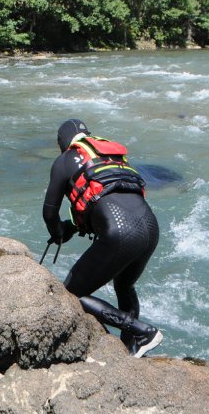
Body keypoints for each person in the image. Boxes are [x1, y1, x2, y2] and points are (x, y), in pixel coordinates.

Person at [42, 119, 163, 358]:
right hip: (150, 227)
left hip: (120, 230)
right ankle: (132, 350)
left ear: (62, 142)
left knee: (72, 294)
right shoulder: (112, 158)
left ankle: (142, 331)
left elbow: (49, 212)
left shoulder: (65, 160)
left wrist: (58, 233)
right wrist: (72, 228)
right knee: (125, 286)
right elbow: (105, 200)